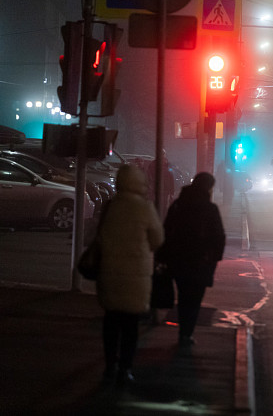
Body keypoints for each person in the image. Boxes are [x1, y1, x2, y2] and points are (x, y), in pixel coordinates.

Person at [96, 164, 164, 385]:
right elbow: (157, 240)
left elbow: (97, 235)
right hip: (136, 275)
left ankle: (109, 366)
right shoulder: (145, 208)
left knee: (111, 321)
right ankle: (125, 369)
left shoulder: (110, 206)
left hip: (110, 271)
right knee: (130, 325)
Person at [159, 172, 225, 346]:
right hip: (201, 262)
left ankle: (183, 332)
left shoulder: (178, 205)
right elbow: (219, 237)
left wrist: (164, 256)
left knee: (183, 296)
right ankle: (187, 333)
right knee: (195, 298)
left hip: (178, 259)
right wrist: (214, 257)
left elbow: (166, 231)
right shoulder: (210, 209)